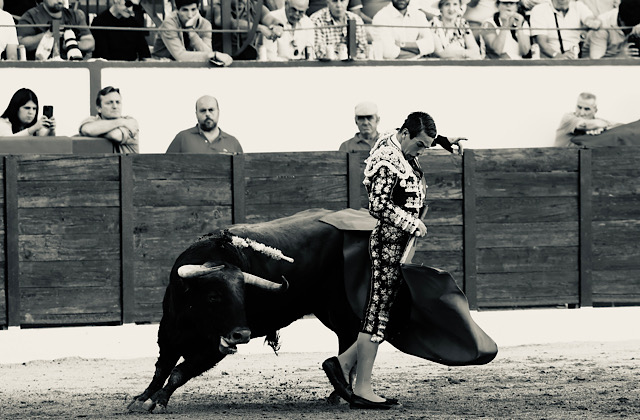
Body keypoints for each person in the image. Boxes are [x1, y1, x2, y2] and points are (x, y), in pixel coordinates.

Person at [322, 111, 465, 409]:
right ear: (405, 134)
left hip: (399, 244)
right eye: (420, 145)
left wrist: (442, 141)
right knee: (378, 314)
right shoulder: (388, 160)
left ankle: (343, 363)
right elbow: (377, 205)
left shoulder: (397, 142)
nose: (422, 151)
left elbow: (413, 134)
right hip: (388, 243)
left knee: (386, 312)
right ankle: (362, 388)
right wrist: (411, 222)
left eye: (426, 146)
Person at [153, 0, 233, 64]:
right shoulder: (169, 24)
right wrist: (213, 55)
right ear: (177, 10)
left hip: (190, 66)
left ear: (198, 8)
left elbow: (207, 52)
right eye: (185, 10)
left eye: (193, 9)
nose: (190, 15)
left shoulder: (205, 24)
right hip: (162, 65)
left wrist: (191, 32)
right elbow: (180, 56)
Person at [17, 0, 94, 60]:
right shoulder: (30, 16)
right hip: (40, 67)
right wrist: (48, 35)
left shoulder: (75, 15)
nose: (59, 0)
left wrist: (71, 44)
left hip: (73, 66)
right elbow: (22, 43)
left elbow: (90, 43)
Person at [209, 0, 286, 60]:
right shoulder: (218, 6)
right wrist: (260, 28)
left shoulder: (256, 7)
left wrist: (277, 26)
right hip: (219, 58)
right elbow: (227, 22)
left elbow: (270, 19)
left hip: (248, 57)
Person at [166, 95, 243, 154]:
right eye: (203, 110)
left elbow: (243, 169)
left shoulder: (233, 142)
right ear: (196, 114)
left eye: (211, 110)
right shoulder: (182, 138)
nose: (207, 114)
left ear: (218, 112)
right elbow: (165, 167)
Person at [529, 0, 600, 59]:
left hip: (574, 58)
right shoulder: (539, 10)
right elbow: (541, 43)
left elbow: (591, 19)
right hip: (550, 60)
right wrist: (557, 56)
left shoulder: (578, 6)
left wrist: (591, 22)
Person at [78, 86, 139, 153]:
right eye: (109, 103)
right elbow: (88, 130)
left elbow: (115, 135)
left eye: (118, 102)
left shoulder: (130, 121)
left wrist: (95, 132)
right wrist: (121, 122)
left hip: (127, 160)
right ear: (99, 108)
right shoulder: (125, 122)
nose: (115, 106)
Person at [371, 0, 435, 59]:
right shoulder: (381, 17)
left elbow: (430, 46)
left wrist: (400, 44)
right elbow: (388, 52)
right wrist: (418, 53)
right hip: (391, 66)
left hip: (417, 65)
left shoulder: (419, 15)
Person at [553, 92, 617, 147]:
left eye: (587, 109)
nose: (581, 113)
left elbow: (619, 126)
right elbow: (590, 124)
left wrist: (602, 129)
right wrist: (599, 127)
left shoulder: (600, 121)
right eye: (579, 107)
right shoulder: (568, 118)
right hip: (559, 156)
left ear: (595, 110)